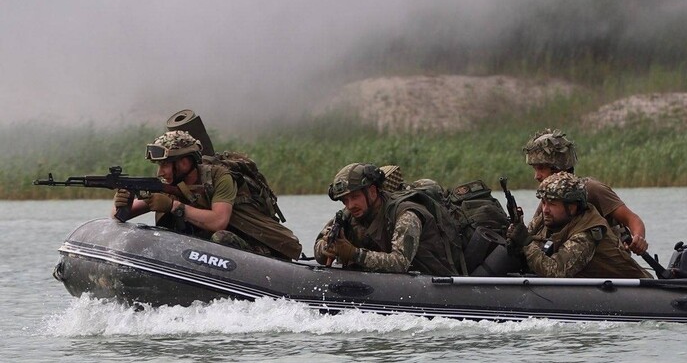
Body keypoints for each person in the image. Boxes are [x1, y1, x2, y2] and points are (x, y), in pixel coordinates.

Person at [111, 131, 302, 260]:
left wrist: (173, 206)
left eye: (165, 164)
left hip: (256, 249)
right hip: (205, 256)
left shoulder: (220, 177)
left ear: (184, 162)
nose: (160, 172)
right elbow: (118, 217)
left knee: (221, 238)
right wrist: (122, 203)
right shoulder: (167, 185)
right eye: (158, 166)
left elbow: (219, 221)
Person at [313, 163, 460, 275]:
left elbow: (400, 262)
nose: (350, 205)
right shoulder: (348, 215)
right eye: (345, 200)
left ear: (372, 192)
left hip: (430, 284)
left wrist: (353, 253)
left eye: (355, 197)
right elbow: (319, 244)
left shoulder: (406, 215)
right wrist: (327, 248)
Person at [523, 129, 650, 255]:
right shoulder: (550, 201)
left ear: (558, 168)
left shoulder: (591, 189)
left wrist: (638, 239)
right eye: (535, 169)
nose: (536, 176)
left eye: (541, 168)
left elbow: (632, 219)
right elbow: (532, 234)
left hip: (606, 260)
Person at [506, 172, 651, 278]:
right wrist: (515, 236)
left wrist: (526, 243)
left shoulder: (588, 231)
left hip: (631, 289)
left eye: (552, 204)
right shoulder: (548, 219)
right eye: (543, 203)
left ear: (572, 207)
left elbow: (556, 272)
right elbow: (527, 241)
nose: (545, 209)